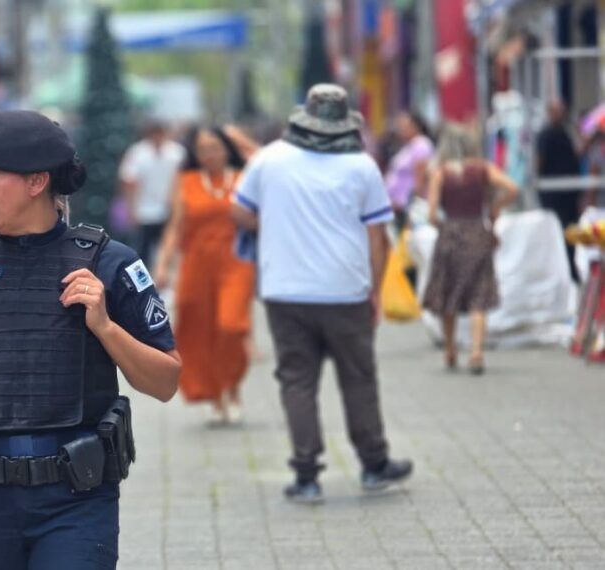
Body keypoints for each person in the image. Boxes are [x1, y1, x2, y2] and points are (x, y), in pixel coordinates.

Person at [0, 110, 180, 569]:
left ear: (36, 182)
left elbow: (166, 382)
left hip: (76, 498)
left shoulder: (110, 264)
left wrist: (105, 327)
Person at [230, 84, 414, 504]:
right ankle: (372, 464)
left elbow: (238, 210)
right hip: (346, 290)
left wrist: (273, 227)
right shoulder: (361, 166)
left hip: (284, 291)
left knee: (297, 382)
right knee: (359, 379)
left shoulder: (268, 159)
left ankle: (307, 475)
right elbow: (377, 236)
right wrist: (374, 289)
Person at [153, 125, 255, 423]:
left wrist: (242, 137)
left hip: (236, 264)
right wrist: (162, 265)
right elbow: (175, 225)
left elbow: (265, 161)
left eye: (216, 146)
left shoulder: (243, 178)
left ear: (227, 149)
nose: (210, 154)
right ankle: (215, 393)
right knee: (198, 330)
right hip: (196, 265)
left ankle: (232, 384)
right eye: (203, 149)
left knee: (231, 325)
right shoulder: (186, 180)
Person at [423, 123, 520, 374]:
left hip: (451, 236)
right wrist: (495, 208)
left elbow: (431, 213)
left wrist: (443, 225)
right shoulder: (483, 169)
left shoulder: (440, 173)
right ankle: (476, 353)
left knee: (449, 295)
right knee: (479, 295)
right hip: (478, 233)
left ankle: (450, 349)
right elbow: (513, 188)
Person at [118, 120, 186, 269]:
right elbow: (129, 182)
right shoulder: (137, 153)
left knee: (169, 248)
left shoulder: (176, 153)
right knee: (143, 251)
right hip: (144, 211)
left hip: (169, 210)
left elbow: (181, 180)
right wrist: (131, 209)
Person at [535, 99, 583, 280]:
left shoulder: (566, 133)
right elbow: (540, 161)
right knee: (557, 233)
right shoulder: (545, 135)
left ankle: (571, 270)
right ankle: (561, 272)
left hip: (569, 194)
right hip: (554, 195)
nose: (561, 115)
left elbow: (574, 155)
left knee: (570, 232)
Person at [384, 111, 435, 230]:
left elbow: (420, 181)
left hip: (407, 208)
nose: (400, 129)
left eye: (404, 126)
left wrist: (411, 204)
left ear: (415, 126)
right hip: (398, 207)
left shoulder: (421, 146)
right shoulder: (408, 146)